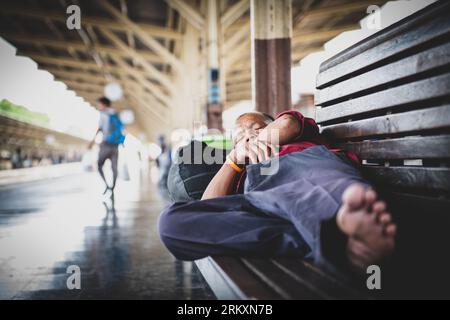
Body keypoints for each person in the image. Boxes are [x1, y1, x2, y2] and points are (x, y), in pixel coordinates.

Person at [159, 110, 397, 274]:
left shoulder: (296, 135)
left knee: (327, 192)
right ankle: (335, 239)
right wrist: (233, 160)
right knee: (172, 224)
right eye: (239, 134)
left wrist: (260, 140)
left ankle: (344, 228)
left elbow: (287, 124)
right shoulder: (239, 168)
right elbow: (208, 206)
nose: (248, 135)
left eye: (256, 127)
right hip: (262, 201)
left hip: (304, 166)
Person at [89, 97, 125, 195]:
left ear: (104, 104)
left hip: (105, 144)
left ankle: (106, 185)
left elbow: (100, 129)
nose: (98, 106)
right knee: (114, 167)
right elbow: (122, 129)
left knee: (99, 165)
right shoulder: (116, 114)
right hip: (115, 146)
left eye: (99, 104)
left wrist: (92, 141)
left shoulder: (103, 114)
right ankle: (113, 186)